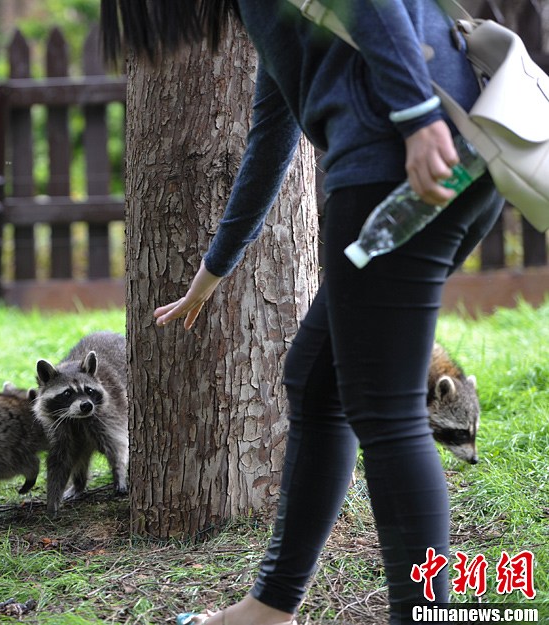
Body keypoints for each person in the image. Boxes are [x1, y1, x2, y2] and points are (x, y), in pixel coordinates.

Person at [100, 1, 504, 624]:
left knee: (388, 413)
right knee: (317, 381)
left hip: (401, 168)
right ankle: (268, 609)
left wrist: (419, 117)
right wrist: (213, 272)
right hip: (443, 163)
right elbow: (273, 131)